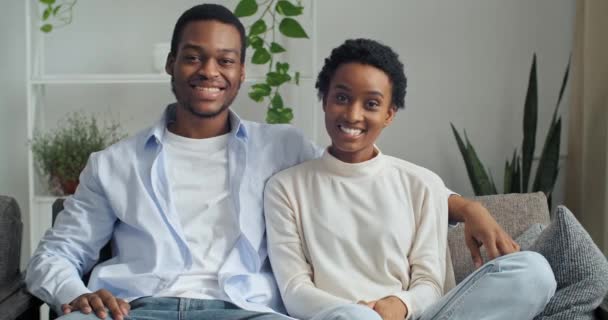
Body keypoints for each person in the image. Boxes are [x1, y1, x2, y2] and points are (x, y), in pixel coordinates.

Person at [26, 4, 519, 320]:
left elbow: (358, 174)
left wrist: (467, 208)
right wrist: (75, 291)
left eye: (225, 60)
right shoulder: (113, 163)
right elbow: (53, 256)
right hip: (132, 310)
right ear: (171, 64)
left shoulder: (282, 148)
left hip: (245, 310)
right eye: (194, 57)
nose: (209, 71)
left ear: (241, 73)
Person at [263, 38, 557, 320]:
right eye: (342, 97)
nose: (353, 114)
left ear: (389, 114)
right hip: (339, 316)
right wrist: (360, 312)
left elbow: (429, 282)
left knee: (534, 272)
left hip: (414, 316)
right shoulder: (285, 188)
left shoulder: (422, 184)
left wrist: (400, 305)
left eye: (371, 104)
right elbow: (295, 290)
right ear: (325, 100)